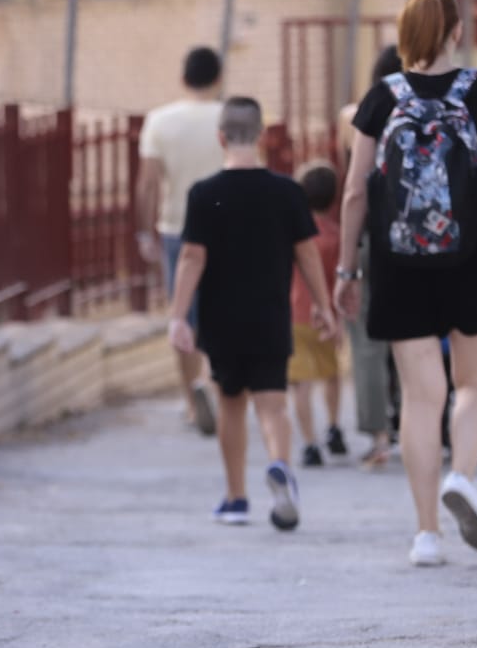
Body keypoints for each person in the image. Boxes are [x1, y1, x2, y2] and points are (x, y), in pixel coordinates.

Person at [335, 0, 477, 567]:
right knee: (475, 386)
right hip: (472, 260)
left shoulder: (381, 97)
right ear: (454, 32)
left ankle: (426, 536)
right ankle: (463, 476)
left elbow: (353, 192)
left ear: (405, 33)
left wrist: (348, 269)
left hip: (398, 264)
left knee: (423, 399)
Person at [167, 97, 338, 531]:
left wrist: (178, 316)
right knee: (273, 404)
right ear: (261, 137)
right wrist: (323, 305)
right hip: (270, 315)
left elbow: (191, 257)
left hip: (222, 319)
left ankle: (236, 496)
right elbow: (307, 254)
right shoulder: (286, 192)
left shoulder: (205, 195)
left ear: (221, 137)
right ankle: (280, 466)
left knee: (230, 404)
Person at [137, 46, 226, 436]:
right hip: (227, 228)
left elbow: (148, 182)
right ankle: (220, 389)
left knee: (182, 315)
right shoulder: (230, 116)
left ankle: (192, 402)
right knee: (223, 311)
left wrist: (144, 231)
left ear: (183, 77)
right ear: (218, 77)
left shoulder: (159, 120)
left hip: (177, 227)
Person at [339, 46, 403, 469]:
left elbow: (355, 189)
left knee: (367, 342)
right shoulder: (435, 108)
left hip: (371, 238)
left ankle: (379, 436)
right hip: (420, 238)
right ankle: (422, 426)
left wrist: (346, 267)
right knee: (414, 336)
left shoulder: (358, 115)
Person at [288, 163, 346, 467]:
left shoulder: (292, 233)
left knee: (300, 382)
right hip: (327, 315)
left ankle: (309, 443)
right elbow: (338, 279)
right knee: (331, 373)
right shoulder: (336, 236)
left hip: (295, 313)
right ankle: (333, 426)